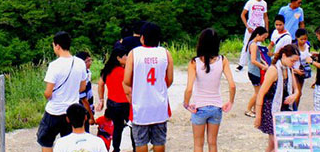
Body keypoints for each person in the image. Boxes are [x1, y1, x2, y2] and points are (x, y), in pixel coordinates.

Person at [183, 28, 236, 152]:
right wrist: (231, 101)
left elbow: (189, 88)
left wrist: (186, 103)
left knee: (198, 144)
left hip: (199, 107)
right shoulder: (223, 60)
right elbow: (232, 85)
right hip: (216, 107)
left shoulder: (194, 62)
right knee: (212, 143)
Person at [123, 22, 174, 152]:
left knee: (140, 142)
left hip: (140, 105)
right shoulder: (166, 53)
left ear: (142, 37)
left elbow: (127, 81)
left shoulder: (134, 53)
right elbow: (169, 80)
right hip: (159, 105)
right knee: (159, 141)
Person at [38, 31, 90, 151]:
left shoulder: (54, 65)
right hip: (72, 111)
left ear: (57, 46)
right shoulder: (80, 63)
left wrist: (46, 94)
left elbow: (48, 93)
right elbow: (82, 88)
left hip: (54, 111)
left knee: (46, 141)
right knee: (70, 144)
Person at [254, 44, 301, 152]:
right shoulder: (274, 70)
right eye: (292, 60)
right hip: (271, 108)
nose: (293, 63)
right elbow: (261, 93)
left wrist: (294, 95)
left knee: (273, 144)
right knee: (277, 143)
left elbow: (296, 89)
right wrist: (258, 116)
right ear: (284, 56)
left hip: (284, 108)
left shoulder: (288, 69)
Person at [96, 44, 133, 152]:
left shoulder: (107, 71)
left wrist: (101, 99)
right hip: (125, 104)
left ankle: (116, 149)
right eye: (125, 56)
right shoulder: (125, 72)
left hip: (112, 103)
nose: (127, 57)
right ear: (118, 58)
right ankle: (136, 148)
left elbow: (100, 84)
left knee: (117, 127)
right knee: (133, 127)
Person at [238, 0, 269, 71]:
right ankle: (241, 64)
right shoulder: (250, 2)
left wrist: (266, 28)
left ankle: (256, 63)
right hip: (251, 27)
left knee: (258, 46)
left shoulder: (264, 3)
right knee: (247, 45)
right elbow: (242, 15)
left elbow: (265, 16)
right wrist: (247, 26)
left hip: (260, 27)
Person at [244, 27, 270, 117]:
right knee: (257, 93)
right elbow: (253, 60)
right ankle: (248, 109)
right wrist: (264, 67)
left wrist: (264, 63)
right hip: (254, 71)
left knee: (258, 92)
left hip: (255, 71)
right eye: (263, 37)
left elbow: (258, 58)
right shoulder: (253, 45)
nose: (263, 39)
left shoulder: (253, 43)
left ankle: (255, 109)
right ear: (258, 35)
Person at [292, 28, 312, 111]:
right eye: (301, 39)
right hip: (294, 72)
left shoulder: (308, 46)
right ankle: (294, 111)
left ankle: (295, 109)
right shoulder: (293, 47)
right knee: (297, 92)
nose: (303, 41)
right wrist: (295, 70)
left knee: (299, 94)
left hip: (303, 72)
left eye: (305, 39)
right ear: (296, 38)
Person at [77, 51, 96, 132]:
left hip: (88, 107)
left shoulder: (88, 73)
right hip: (81, 109)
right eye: (87, 61)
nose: (90, 63)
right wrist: (91, 116)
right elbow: (83, 99)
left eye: (90, 60)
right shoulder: (80, 76)